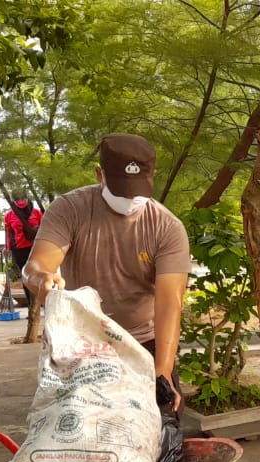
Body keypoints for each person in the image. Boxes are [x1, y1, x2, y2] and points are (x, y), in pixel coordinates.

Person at [23, 133, 191, 417]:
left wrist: (162, 374)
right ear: (99, 174)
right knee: (81, 424)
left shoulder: (167, 227)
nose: (129, 199)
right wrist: (43, 280)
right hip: (85, 342)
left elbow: (169, 303)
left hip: (143, 341)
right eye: (120, 189)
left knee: (162, 417)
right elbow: (36, 265)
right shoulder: (70, 209)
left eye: (137, 190)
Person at [4, 190, 42, 309]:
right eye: (17, 199)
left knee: (38, 276)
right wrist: (7, 248)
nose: (20, 202)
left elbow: (44, 229)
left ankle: (42, 303)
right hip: (19, 250)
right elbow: (8, 233)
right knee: (26, 278)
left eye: (23, 198)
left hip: (35, 248)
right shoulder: (9, 215)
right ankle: (32, 306)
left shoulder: (36, 213)